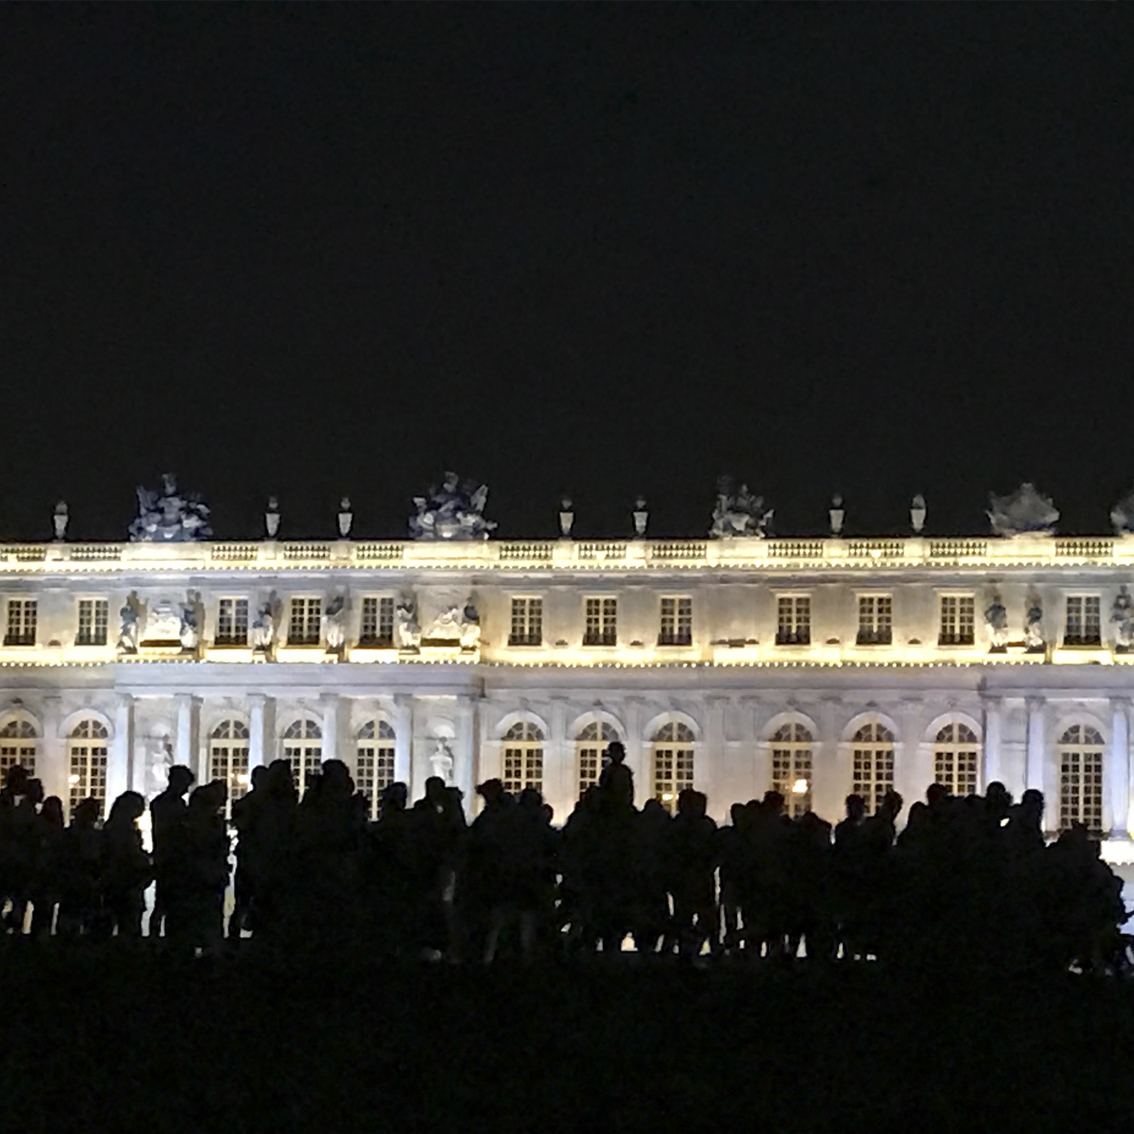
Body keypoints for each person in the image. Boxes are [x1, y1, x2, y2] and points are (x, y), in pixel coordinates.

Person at [150, 765, 196, 940]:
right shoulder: (168, 804)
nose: (185, 789)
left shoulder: (163, 802)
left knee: (164, 903)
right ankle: (160, 938)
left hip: (167, 855)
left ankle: (161, 936)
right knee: (164, 903)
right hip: (170, 856)